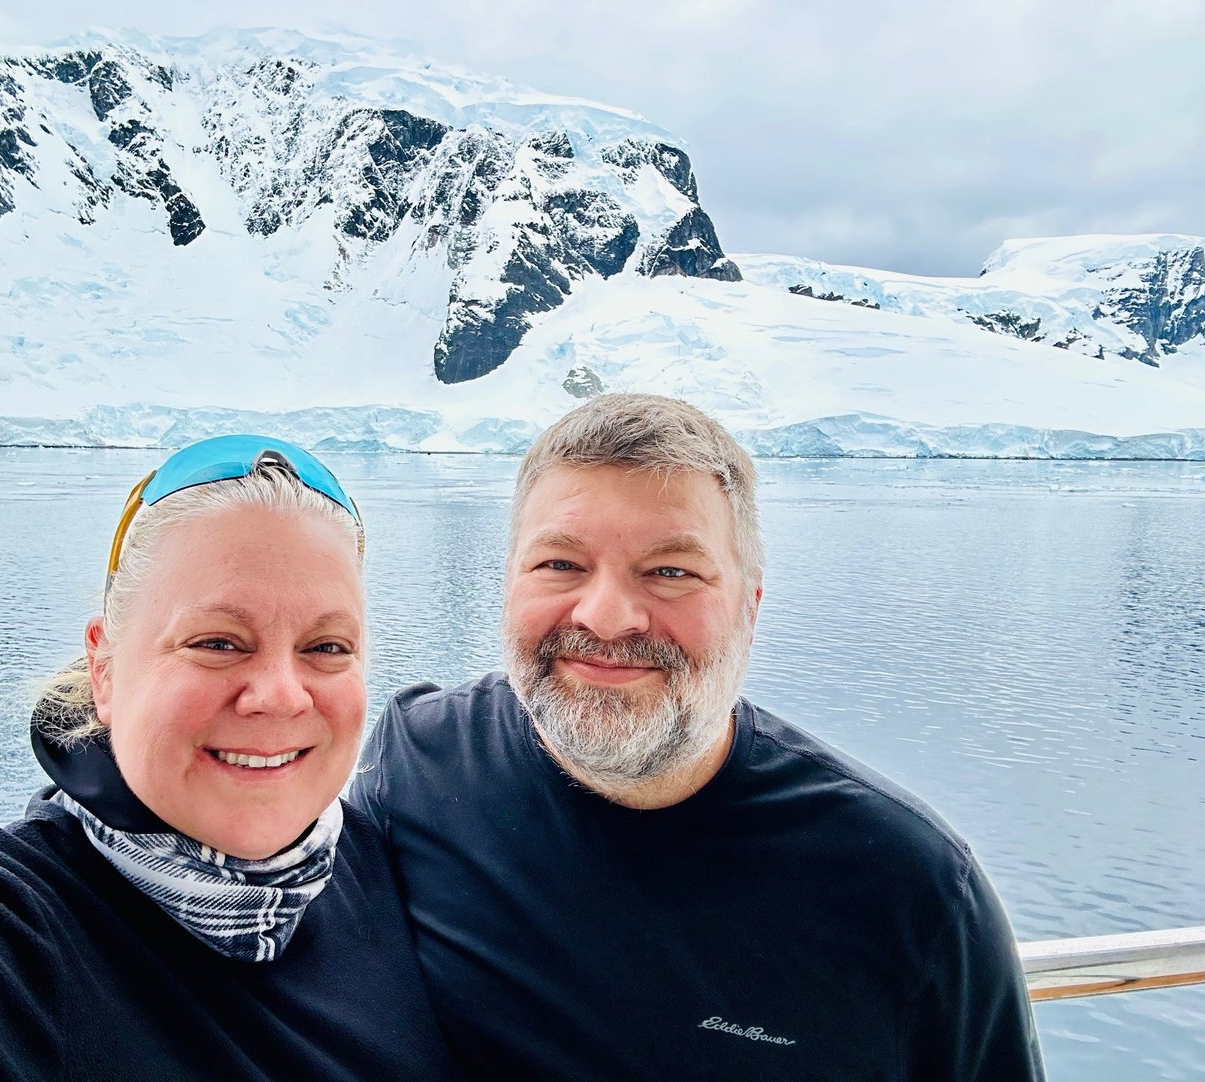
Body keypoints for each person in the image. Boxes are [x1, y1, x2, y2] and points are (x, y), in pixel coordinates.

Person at [352, 394, 1045, 1080]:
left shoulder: (909, 887)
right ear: (508, 583)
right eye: (560, 564)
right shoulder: (420, 762)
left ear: (750, 606)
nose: (608, 617)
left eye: (672, 572)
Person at [0, 435, 456, 1080]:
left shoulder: (396, 872)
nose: (279, 695)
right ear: (105, 670)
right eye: (217, 641)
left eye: (328, 648)